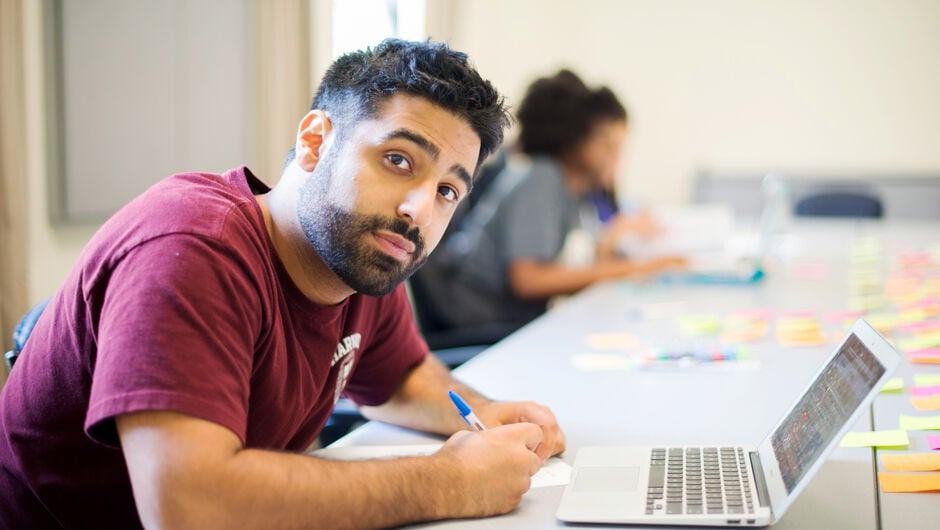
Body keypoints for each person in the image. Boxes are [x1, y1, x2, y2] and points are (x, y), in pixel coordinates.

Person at [0, 39, 565, 529]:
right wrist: (447, 483)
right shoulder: (194, 248)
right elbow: (187, 506)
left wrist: (484, 412)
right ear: (316, 141)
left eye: (447, 190)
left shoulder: (361, 261)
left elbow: (401, 380)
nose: (418, 208)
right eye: (398, 160)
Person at [414, 69, 684, 338]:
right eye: (608, 147)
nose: (616, 160)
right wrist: (635, 268)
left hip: (505, 321)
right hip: (481, 320)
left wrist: (615, 247)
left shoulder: (570, 189)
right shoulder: (542, 178)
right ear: (579, 138)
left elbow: (583, 260)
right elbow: (527, 279)